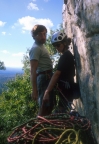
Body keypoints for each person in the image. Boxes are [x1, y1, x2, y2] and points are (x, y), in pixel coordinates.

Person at [43, 31, 75, 113]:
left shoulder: (65, 56)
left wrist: (47, 91)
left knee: (61, 113)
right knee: (62, 111)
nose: (56, 48)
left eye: (58, 45)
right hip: (66, 88)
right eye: (55, 46)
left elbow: (57, 74)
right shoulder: (66, 55)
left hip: (66, 89)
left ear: (64, 43)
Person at [29, 24, 55, 116]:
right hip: (43, 78)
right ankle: (39, 127)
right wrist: (34, 91)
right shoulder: (35, 49)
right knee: (44, 106)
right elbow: (33, 70)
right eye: (40, 34)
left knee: (50, 105)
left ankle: (45, 126)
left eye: (45, 34)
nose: (43, 37)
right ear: (34, 36)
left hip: (47, 77)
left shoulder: (41, 46)